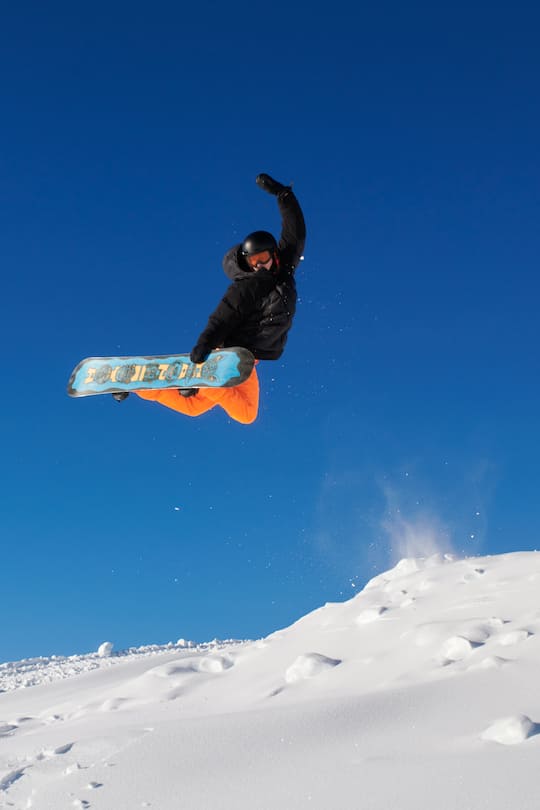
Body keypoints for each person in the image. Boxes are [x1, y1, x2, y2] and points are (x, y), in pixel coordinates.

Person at [121, 173, 306, 424]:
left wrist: (284, 195)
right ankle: (204, 382)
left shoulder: (283, 269)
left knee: (192, 406)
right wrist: (206, 344)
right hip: (233, 355)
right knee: (246, 413)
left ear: (274, 254)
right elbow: (227, 312)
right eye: (254, 262)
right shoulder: (250, 284)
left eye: (263, 258)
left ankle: (135, 385)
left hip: (246, 360)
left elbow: (296, 234)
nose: (260, 265)